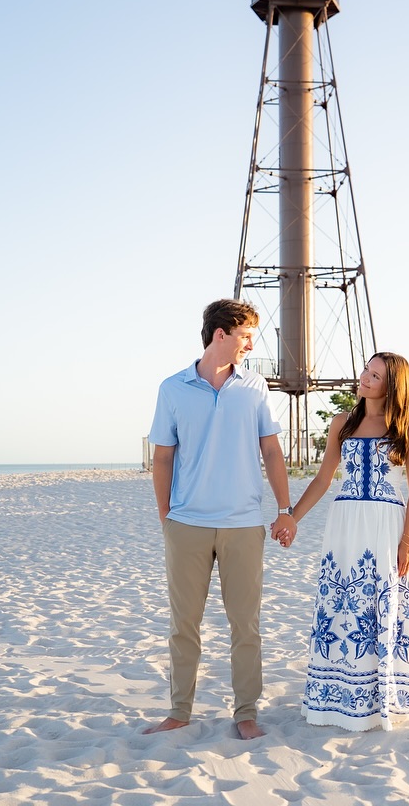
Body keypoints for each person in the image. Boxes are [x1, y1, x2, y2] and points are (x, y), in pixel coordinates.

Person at [144, 299, 294, 740]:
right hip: (187, 524)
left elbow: (271, 451)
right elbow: (163, 458)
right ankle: (179, 711)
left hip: (244, 524)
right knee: (183, 624)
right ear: (221, 334)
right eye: (246, 335)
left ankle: (246, 713)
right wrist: (166, 517)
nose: (251, 344)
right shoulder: (172, 389)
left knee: (245, 626)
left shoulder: (256, 387)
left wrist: (285, 509)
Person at [281, 352, 409, 731]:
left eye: (374, 376)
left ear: (391, 385)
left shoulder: (407, 426)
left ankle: (380, 698)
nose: (364, 378)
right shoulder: (341, 422)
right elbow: (324, 478)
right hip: (343, 525)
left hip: (385, 525)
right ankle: (335, 697)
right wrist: (292, 517)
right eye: (365, 370)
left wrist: (407, 540)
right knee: (342, 604)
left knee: (380, 605)